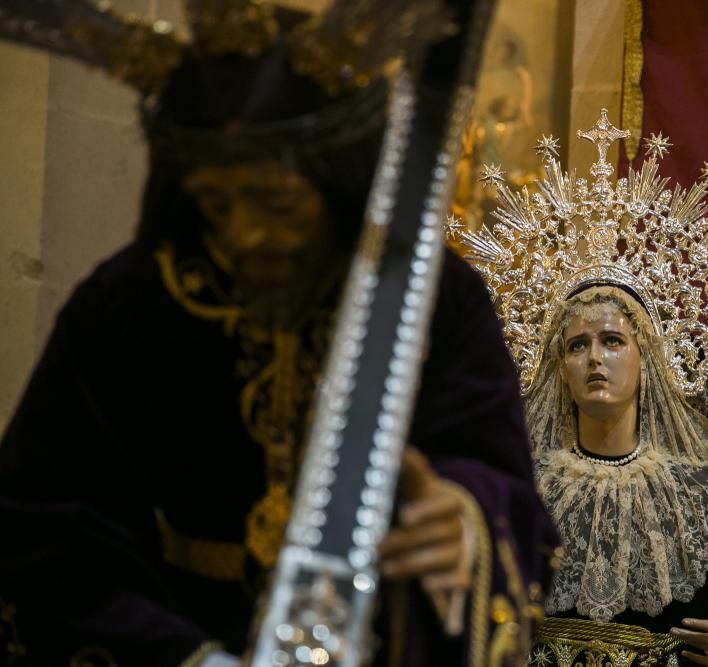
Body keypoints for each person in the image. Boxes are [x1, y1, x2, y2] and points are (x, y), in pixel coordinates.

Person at [0, 1, 559, 665]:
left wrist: (462, 519)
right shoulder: (131, 301)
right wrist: (188, 656)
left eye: (277, 203)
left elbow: (498, 478)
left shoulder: (437, 298)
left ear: (339, 183)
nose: (243, 232)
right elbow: (45, 518)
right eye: (217, 203)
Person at [451, 111, 708, 666]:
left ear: (648, 360)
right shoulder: (521, 483)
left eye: (613, 341)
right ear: (557, 365)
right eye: (577, 346)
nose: (595, 358)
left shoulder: (700, 483)